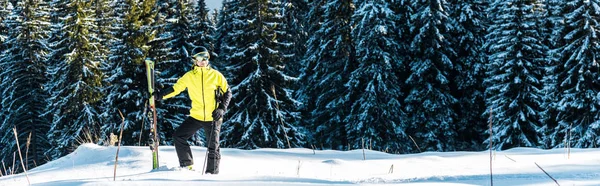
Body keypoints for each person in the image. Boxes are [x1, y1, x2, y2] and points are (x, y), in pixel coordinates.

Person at [153, 46, 232, 174]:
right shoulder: (189, 76)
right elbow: (175, 89)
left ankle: (211, 175)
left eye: (205, 57)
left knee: (213, 147)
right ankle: (187, 165)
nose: (203, 61)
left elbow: (228, 93)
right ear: (194, 60)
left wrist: (222, 109)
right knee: (178, 136)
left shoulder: (216, 75)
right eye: (200, 58)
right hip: (196, 116)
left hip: (213, 117)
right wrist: (159, 95)